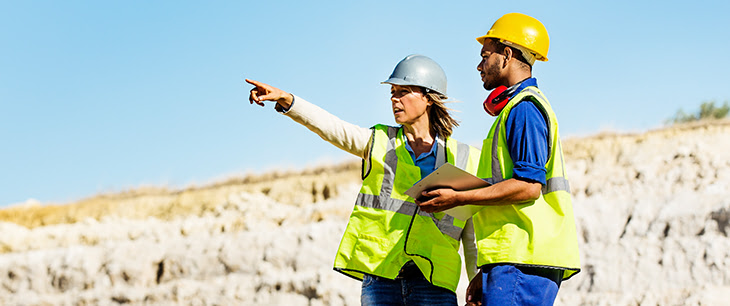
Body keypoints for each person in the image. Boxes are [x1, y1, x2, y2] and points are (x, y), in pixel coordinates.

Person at [246, 54, 482, 305]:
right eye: (392, 91)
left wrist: (477, 282)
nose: (394, 98)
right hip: (381, 277)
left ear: (428, 98)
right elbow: (331, 128)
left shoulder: (464, 158)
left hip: (434, 282)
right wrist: (289, 101)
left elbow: (470, 234)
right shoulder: (378, 141)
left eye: (403, 91)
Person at [415, 13, 581, 306]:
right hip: (511, 262)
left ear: (506, 55)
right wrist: (487, 270)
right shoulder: (514, 109)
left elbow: (529, 186)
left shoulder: (525, 108)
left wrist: (458, 197)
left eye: (485, 56)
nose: (479, 65)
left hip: (522, 260)